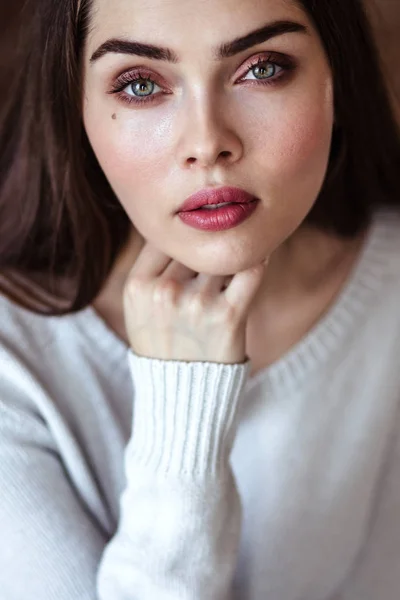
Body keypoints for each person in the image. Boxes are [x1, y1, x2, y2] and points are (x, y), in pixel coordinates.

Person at [0, 0, 400, 597]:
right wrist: (181, 398)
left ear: (334, 81)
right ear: (76, 109)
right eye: (140, 84)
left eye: (262, 68)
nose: (208, 143)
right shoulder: (15, 361)